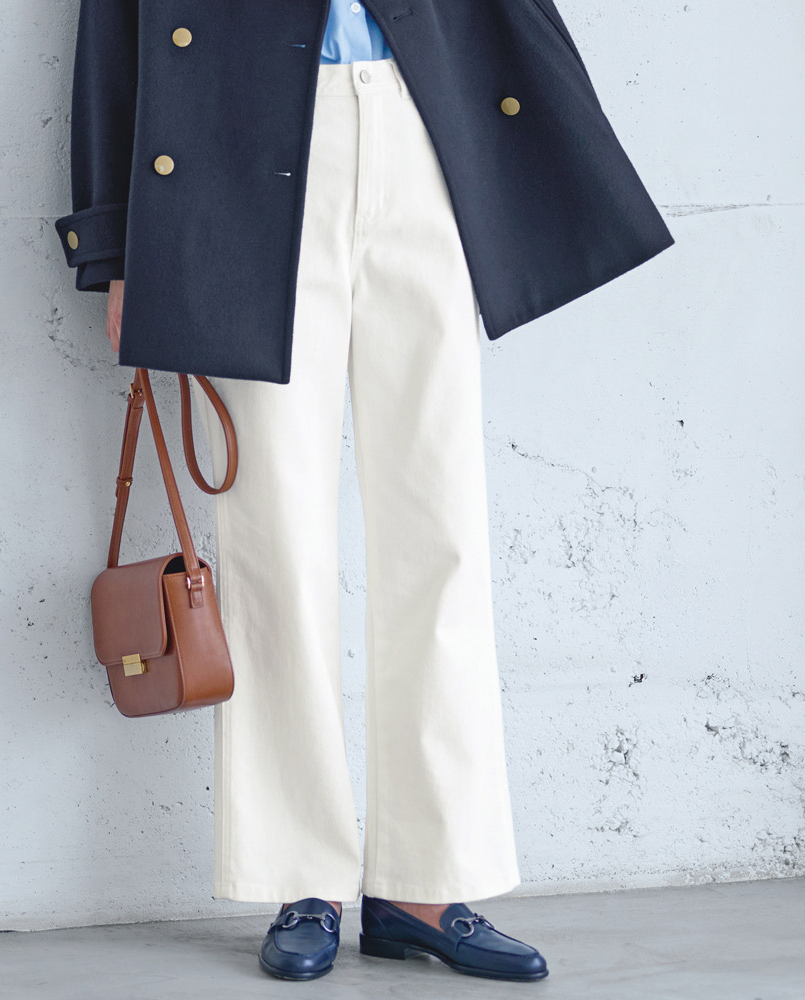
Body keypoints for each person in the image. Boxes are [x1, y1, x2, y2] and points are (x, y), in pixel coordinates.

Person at [100, 2, 547, 984]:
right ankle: (300, 873)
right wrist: (115, 246)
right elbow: (115, 24)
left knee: (442, 528)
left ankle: (426, 883)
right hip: (243, 145)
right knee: (275, 537)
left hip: (421, 123)